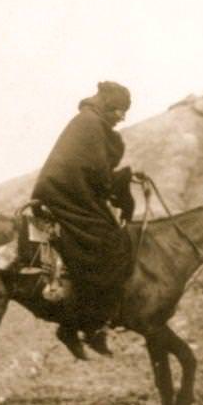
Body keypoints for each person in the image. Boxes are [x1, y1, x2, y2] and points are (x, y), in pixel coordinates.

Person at [29, 80, 137, 359]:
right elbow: (98, 175)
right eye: (120, 111)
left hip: (68, 191)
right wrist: (121, 183)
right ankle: (85, 324)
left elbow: (92, 171)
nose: (122, 117)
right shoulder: (90, 124)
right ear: (109, 105)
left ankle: (86, 323)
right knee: (107, 243)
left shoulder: (90, 121)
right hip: (63, 195)